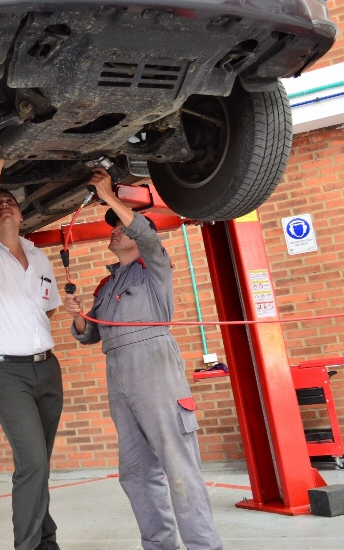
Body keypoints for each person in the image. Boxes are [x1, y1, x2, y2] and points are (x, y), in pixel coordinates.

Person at [64, 168, 223, 550]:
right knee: (136, 473)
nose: (113, 230)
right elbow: (92, 336)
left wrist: (110, 196)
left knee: (179, 468)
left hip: (154, 366)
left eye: (118, 224)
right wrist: (77, 315)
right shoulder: (108, 284)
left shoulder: (154, 268)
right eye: (112, 225)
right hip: (119, 374)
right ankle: (159, 545)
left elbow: (148, 237)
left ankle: (204, 546)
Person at [0, 154, 64, 550]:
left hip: (47, 370)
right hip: (7, 375)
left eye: (12, 202)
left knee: (39, 467)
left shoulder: (39, 257)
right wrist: (1, 158)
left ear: (23, 216)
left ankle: (47, 541)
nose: (5, 204)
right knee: (33, 464)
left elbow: (49, 304)